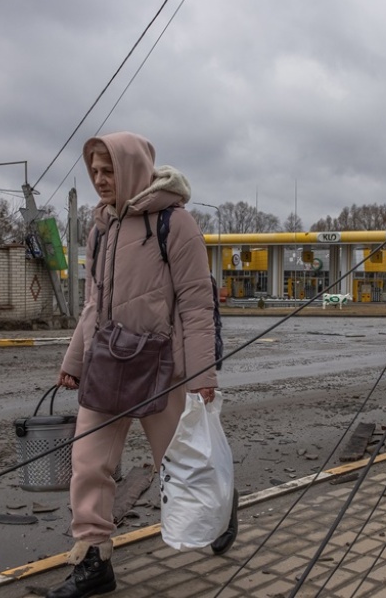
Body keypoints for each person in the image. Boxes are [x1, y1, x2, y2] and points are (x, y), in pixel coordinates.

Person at [50, 132, 235, 598]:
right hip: (107, 363)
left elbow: (196, 303)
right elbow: (93, 303)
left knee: (182, 460)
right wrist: (74, 360)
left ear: (132, 168)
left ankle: (220, 510)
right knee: (88, 463)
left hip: (161, 368)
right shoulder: (99, 228)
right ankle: (94, 560)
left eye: (108, 170)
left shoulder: (176, 223)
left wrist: (201, 376)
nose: (100, 180)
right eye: (94, 171)